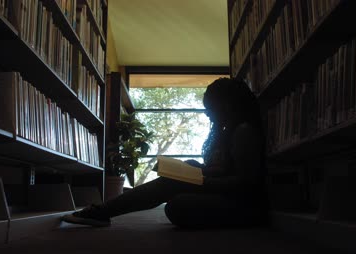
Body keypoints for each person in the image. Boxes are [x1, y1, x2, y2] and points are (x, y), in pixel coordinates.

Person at [62, 77, 269, 228]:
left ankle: (103, 212)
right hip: (227, 197)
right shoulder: (230, 131)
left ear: (227, 106)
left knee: (177, 205)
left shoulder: (243, 131)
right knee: (185, 176)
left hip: (244, 206)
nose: (207, 113)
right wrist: (200, 171)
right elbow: (226, 172)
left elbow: (246, 184)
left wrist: (202, 181)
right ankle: (103, 212)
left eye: (211, 108)